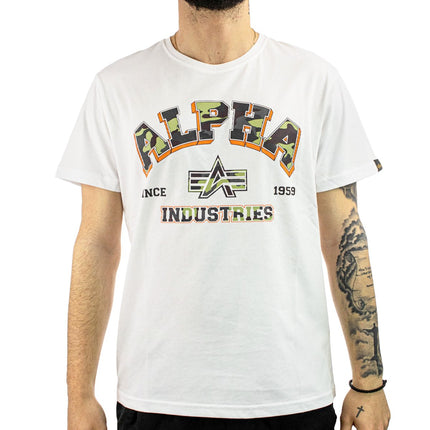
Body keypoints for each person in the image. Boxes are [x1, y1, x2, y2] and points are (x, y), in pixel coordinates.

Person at [55, 0, 391, 429]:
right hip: (158, 393)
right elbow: (97, 245)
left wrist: (369, 383)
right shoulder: (116, 87)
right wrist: (79, 395)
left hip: (291, 391)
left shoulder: (314, 80)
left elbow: (343, 236)